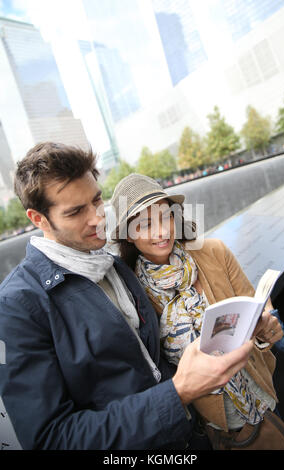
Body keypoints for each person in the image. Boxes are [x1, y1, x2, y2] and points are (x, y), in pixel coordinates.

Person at [0, 143, 254, 450]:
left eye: (96, 200)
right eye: (76, 211)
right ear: (38, 219)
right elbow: (51, 440)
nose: (97, 218)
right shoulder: (17, 305)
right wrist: (177, 394)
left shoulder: (115, 266)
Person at [111, 173, 284, 446]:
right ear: (128, 236)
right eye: (145, 224)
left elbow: (255, 303)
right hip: (215, 423)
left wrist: (267, 326)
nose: (161, 231)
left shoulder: (213, 252)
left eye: (164, 217)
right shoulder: (133, 294)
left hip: (263, 391)